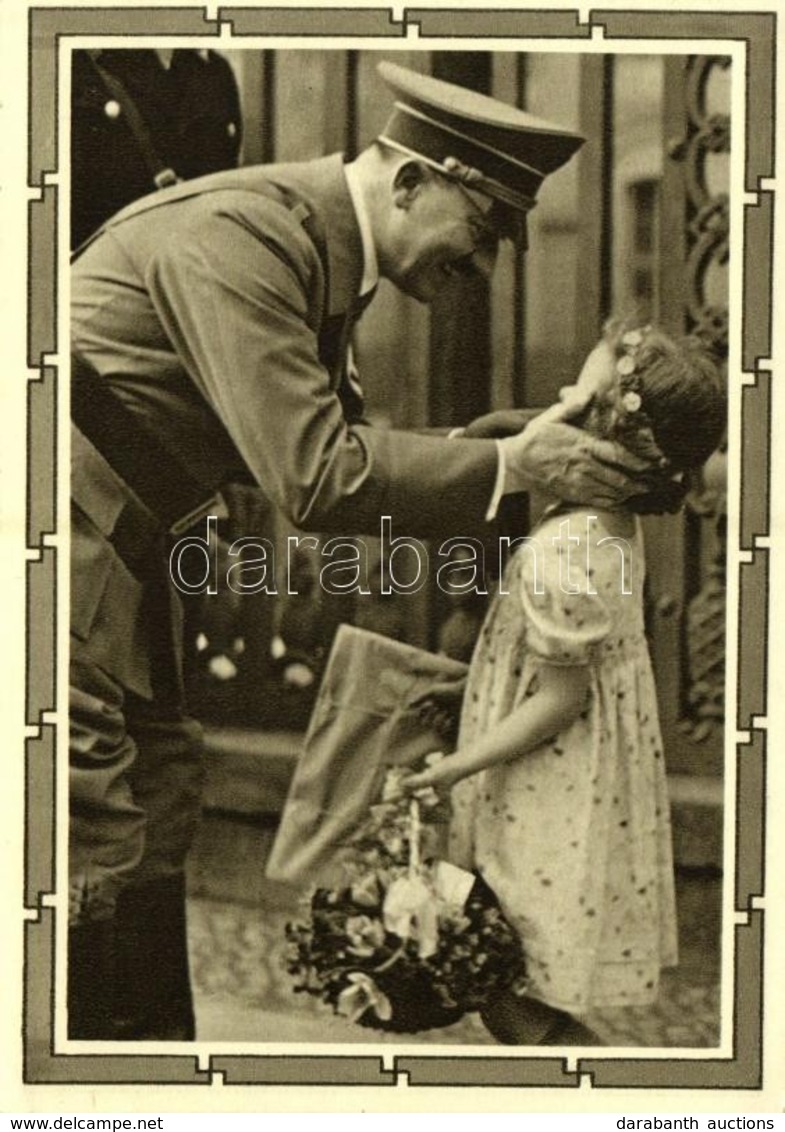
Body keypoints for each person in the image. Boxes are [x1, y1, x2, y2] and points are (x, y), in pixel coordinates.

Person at [68, 60, 651, 1040]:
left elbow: (330, 446)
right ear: (411, 179)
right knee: (90, 826)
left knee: (156, 801)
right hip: (61, 548)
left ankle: (142, 1064)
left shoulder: (315, 243)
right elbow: (315, 477)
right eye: (481, 232)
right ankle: (86, 1072)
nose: (484, 266)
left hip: (121, 552)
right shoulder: (245, 239)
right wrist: (510, 461)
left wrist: (505, 448)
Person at [401, 318, 726, 1045]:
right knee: (503, 979)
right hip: (570, 771)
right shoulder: (606, 526)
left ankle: (593, 1103)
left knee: (506, 983)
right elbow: (572, 669)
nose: (557, 399)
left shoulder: (564, 549)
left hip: (544, 787)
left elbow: (560, 696)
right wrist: (472, 693)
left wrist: (456, 764)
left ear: (607, 440)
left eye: (576, 398)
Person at [71, 47, 242, 249]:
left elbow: (229, 145)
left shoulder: (213, 67)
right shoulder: (105, 64)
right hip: (118, 228)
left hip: (188, 217)